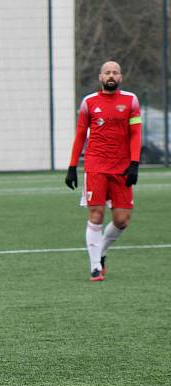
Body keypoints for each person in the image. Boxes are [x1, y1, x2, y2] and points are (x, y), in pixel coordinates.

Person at [64, 60, 141, 282]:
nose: (111, 75)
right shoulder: (89, 102)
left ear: (120, 77)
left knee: (122, 220)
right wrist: (72, 166)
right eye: (107, 72)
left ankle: (102, 252)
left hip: (123, 167)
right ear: (100, 77)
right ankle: (95, 266)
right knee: (96, 214)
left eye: (115, 72)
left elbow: (136, 133)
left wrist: (134, 163)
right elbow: (80, 135)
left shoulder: (131, 101)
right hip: (95, 165)